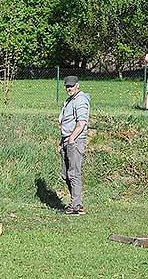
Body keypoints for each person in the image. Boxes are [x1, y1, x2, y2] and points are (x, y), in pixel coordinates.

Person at [59, 76, 90, 215]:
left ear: (77, 85)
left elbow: (81, 123)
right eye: (67, 86)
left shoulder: (81, 99)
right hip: (66, 139)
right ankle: (77, 203)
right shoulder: (69, 100)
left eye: (71, 86)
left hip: (75, 140)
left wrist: (71, 138)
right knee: (66, 174)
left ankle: (75, 205)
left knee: (74, 173)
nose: (69, 88)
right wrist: (62, 141)